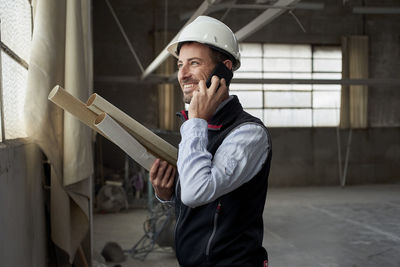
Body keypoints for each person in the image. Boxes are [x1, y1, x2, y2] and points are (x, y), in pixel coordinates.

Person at [149, 16, 272, 267]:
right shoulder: (198, 126)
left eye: (193, 63)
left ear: (223, 69)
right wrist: (168, 194)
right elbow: (208, 200)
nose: (182, 74)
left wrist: (196, 121)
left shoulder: (248, 133)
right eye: (180, 64)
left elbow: (197, 192)